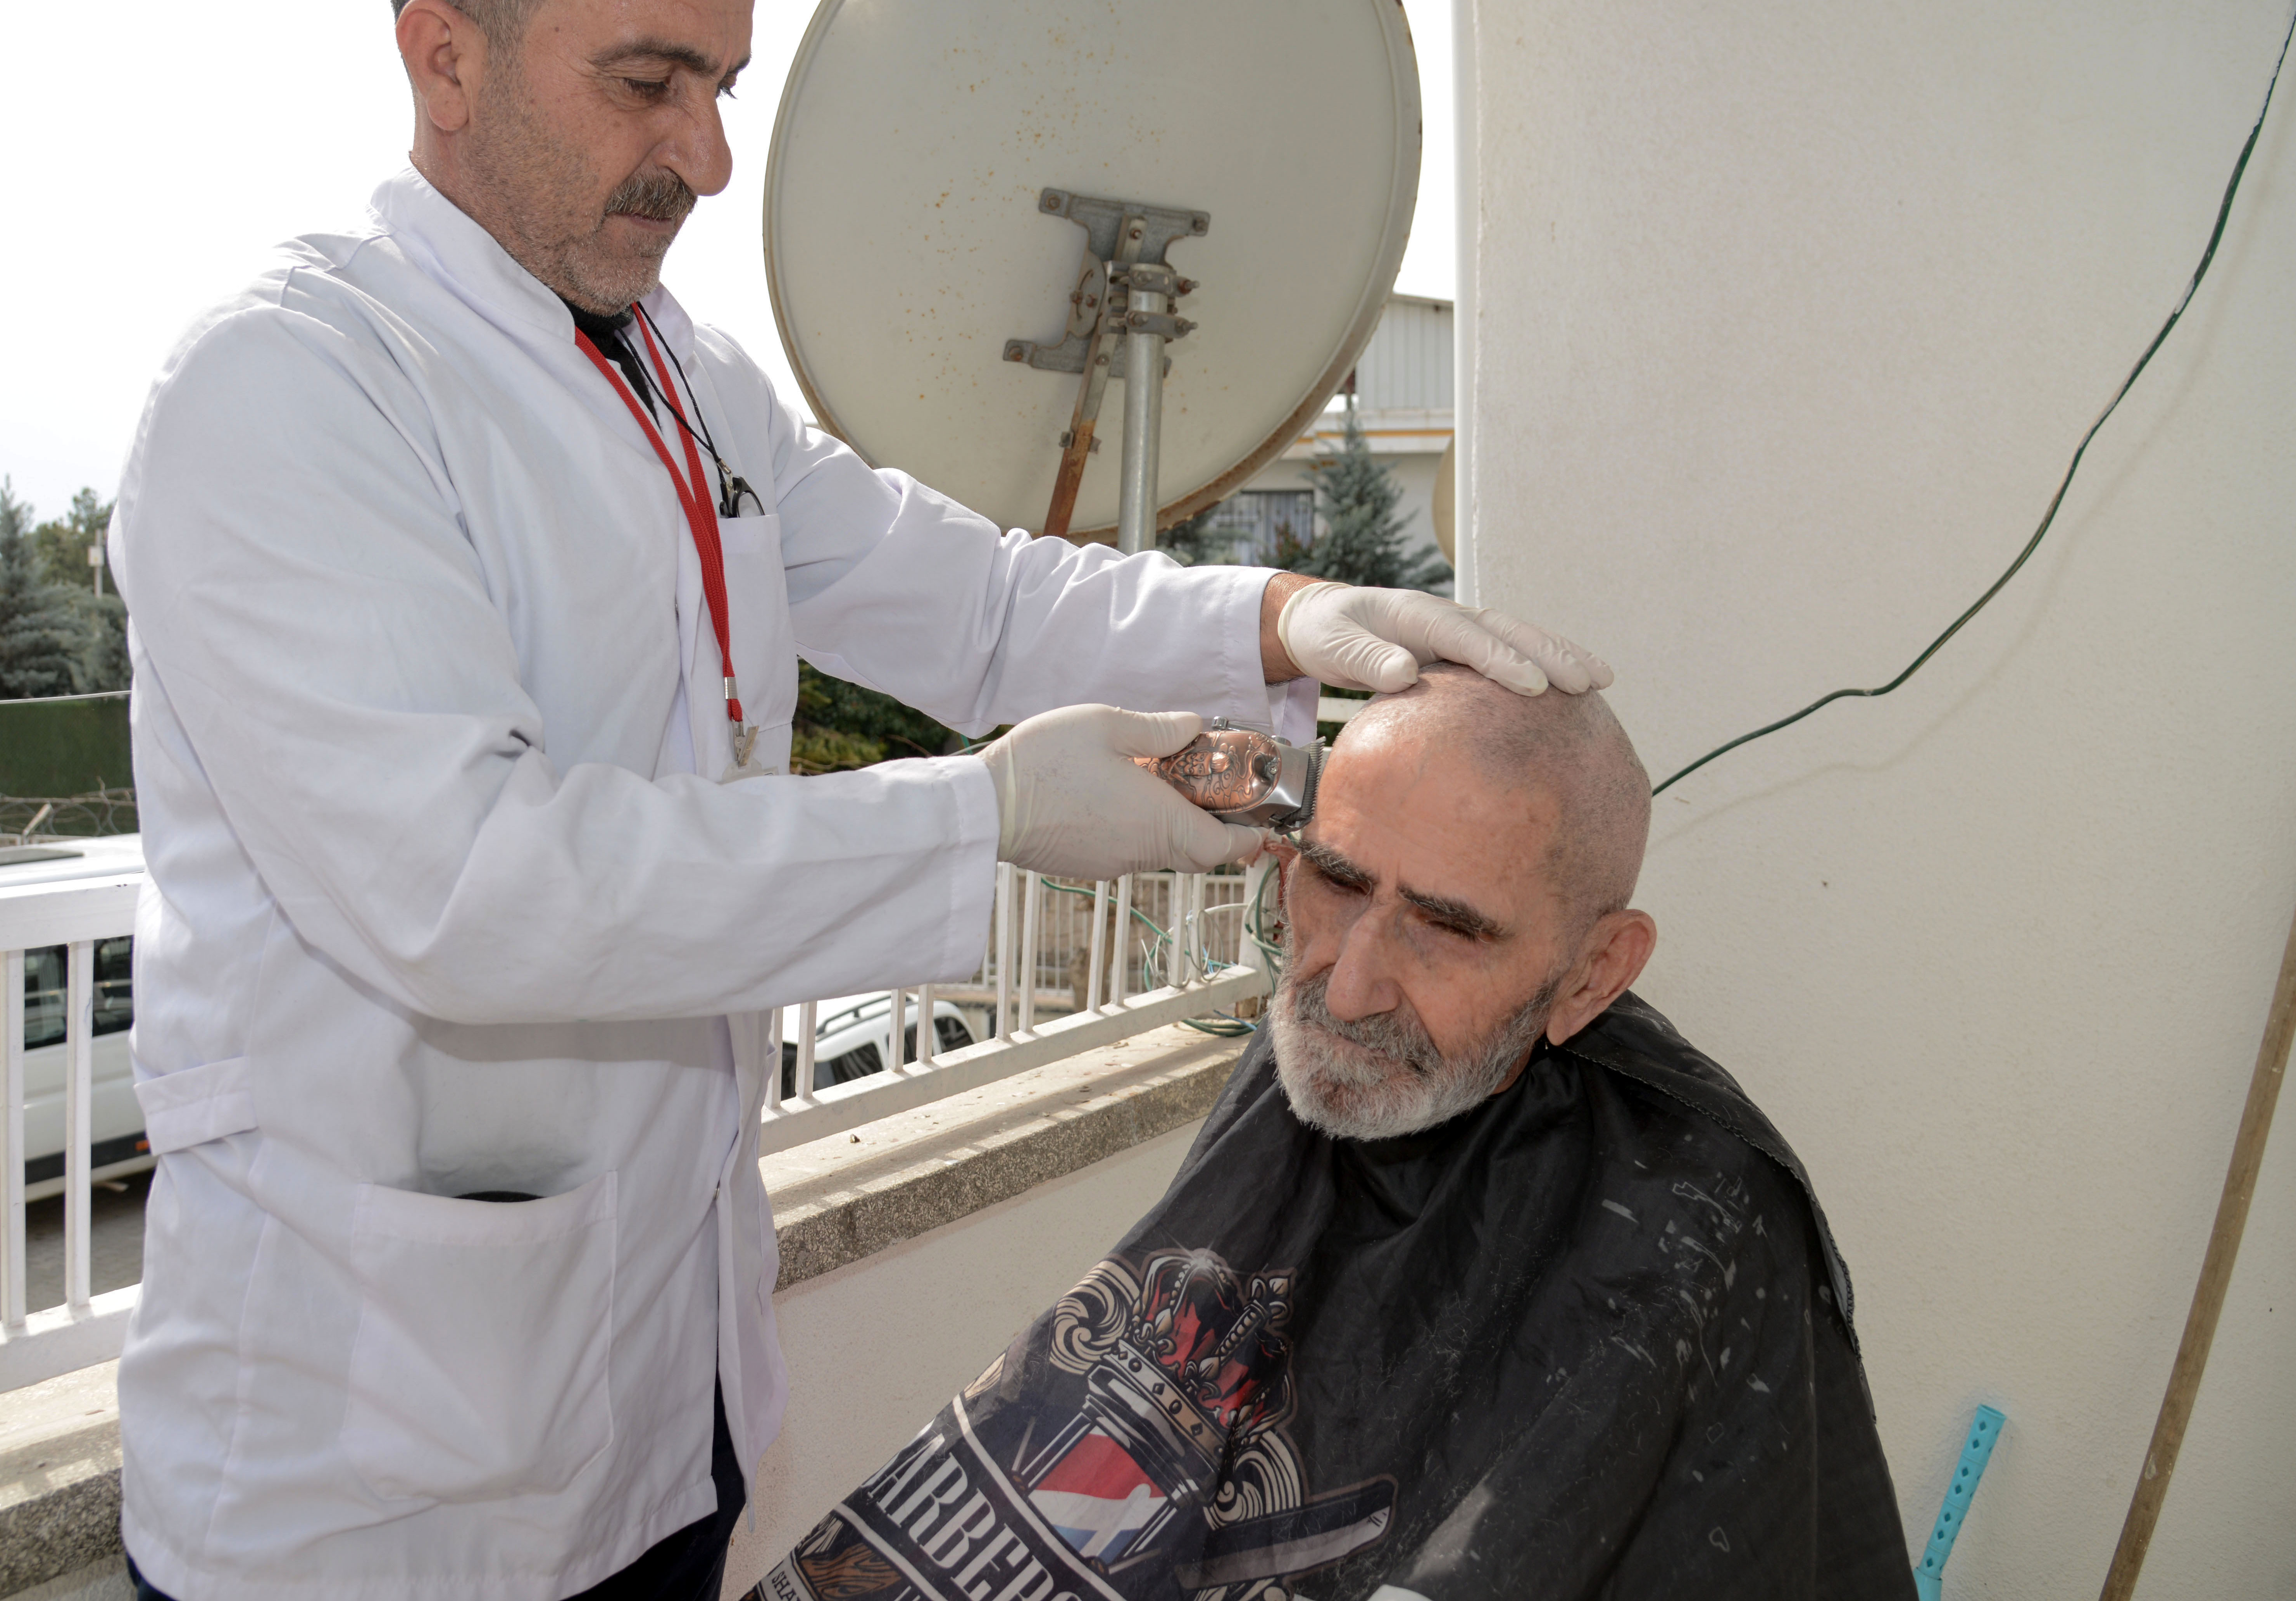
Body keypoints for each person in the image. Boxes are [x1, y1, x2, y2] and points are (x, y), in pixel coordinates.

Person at [107, 0, 1611, 1601]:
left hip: (645, 1420)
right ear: (445, 58)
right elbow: (464, 889)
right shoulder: (290, 390)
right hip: (365, 1486)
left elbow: (971, 599)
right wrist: (985, 816)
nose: (705, 155)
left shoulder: (680, 379)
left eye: (720, 86)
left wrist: (1287, 617)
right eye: (647, 83)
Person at [743, 668, 1915, 1599]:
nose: (1347, 987)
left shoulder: (1691, 1220)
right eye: (1339, 882)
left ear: (1596, 971)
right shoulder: (1324, 1056)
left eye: (1447, 929)